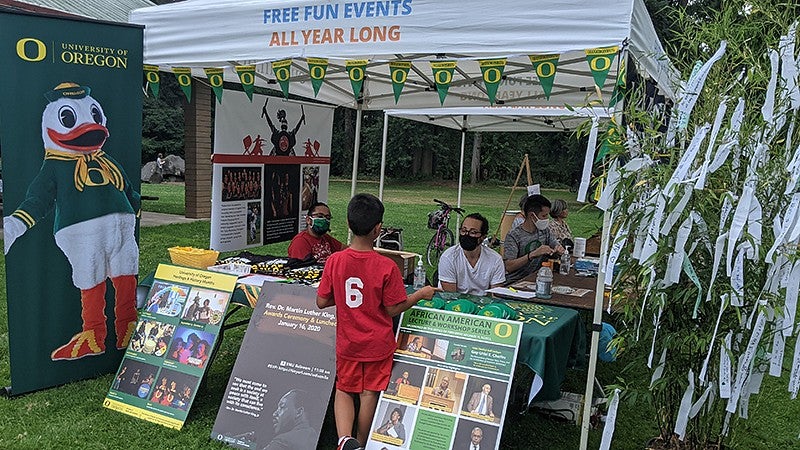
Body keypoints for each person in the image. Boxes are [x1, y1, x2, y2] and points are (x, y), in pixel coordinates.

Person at [316, 193, 437, 450]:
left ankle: (343, 440)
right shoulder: (386, 266)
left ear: (348, 225)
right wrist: (420, 294)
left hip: (347, 343)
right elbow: (394, 308)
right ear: (378, 229)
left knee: (344, 389)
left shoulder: (335, 260)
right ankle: (361, 441)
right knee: (368, 393)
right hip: (377, 345)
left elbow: (322, 301)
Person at [503, 194, 565, 285]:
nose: (547, 219)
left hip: (539, 280)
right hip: (515, 282)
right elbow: (508, 266)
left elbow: (556, 246)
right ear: (532, 215)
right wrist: (532, 254)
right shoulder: (514, 236)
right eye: (544, 216)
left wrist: (558, 250)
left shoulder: (545, 231)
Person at [437, 213, 505, 296]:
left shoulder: (495, 259)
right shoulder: (448, 257)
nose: (467, 235)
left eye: (473, 232)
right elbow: (451, 296)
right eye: (464, 230)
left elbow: (495, 295)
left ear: (483, 236)